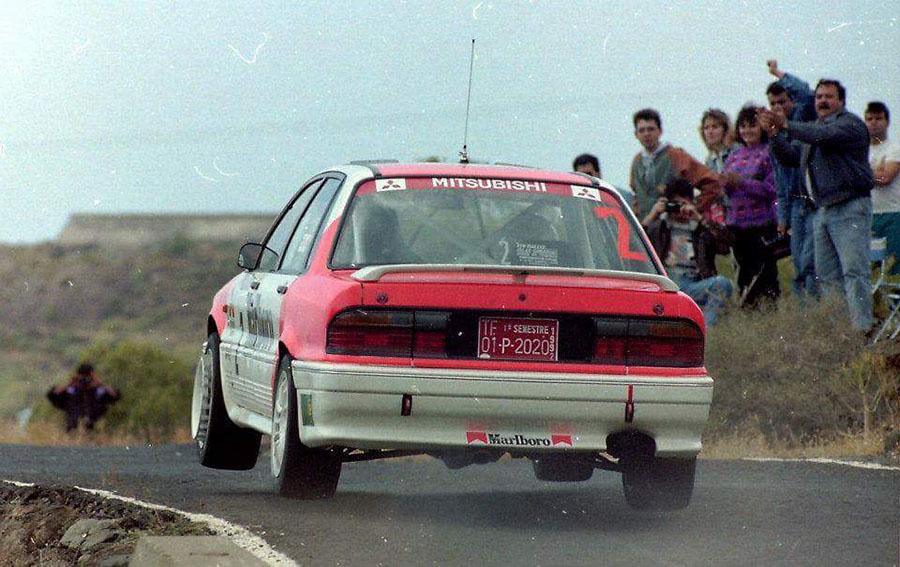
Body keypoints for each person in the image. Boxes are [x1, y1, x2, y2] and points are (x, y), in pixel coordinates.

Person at [761, 79, 875, 332]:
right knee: (828, 277)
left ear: (841, 101)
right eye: (819, 97)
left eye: (829, 97)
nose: (822, 101)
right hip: (822, 209)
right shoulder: (812, 129)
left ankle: (862, 331)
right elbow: (791, 157)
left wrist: (786, 124)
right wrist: (775, 134)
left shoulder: (850, 124)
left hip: (850, 206)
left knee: (854, 272)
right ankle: (840, 334)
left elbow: (825, 137)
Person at [643, 178, 733, 326]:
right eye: (676, 204)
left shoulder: (700, 230)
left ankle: (704, 331)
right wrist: (653, 214)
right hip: (666, 282)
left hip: (693, 282)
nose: (681, 208)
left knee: (722, 284)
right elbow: (633, 243)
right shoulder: (659, 228)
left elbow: (726, 244)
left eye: (685, 203)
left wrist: (699, 218)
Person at [765, 59, 818, 297]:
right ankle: (803, 314)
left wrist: (780, 74)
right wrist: (782, 217)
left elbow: (807, 94)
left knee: (811, 263)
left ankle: (817, 311)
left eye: (782, 101)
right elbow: (780, 183)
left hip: (815, 201)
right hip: (796, 205)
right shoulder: (774, 135)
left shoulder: (802, 119)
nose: (777, 106)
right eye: (772, 103)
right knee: (799, 263)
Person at [722, 105, 779, 307]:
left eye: (752, 126)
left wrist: (742, 182)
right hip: (737, 224)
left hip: (761, 223)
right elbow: (728, 191)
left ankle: (771, 314)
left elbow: (772, 189)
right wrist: (727, 184)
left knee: (764, 272)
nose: (747, 131)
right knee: (743, 272)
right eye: (743, 126)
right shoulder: (734, 156)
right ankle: (748, 314)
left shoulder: (769, 152)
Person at [629, 108, 723, 221]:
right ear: (636, 134)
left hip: (674, 228)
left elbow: (712, 183)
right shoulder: (637, 162)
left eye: (651, 129)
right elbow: (636, 195)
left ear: (660, 131)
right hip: (646, 228)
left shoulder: (676, 156)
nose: (646, 134)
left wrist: (694, 208)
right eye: (642, 130)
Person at [865, 101, 900, 275]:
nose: (873, 122)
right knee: (870, 271)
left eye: (878, 118)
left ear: (887, 121)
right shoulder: (861, 150)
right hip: (868, 214)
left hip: (893, 213)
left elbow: (886, 177)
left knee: (893, 268)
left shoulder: (895, 148)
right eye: (869, 118)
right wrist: (873, 172)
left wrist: (861, 174)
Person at [47, 362, 120, 432]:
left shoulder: (98, 391)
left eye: (88, 378)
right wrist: (70, 383)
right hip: (73, 430)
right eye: (82, 378)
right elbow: (53, 394)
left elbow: (115, 395)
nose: (85, 381)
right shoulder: (71, 391)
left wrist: (100, 383)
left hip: (93, 430)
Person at [699, 108, 740, 174]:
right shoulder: (710, 160)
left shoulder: (737, 150)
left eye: (715, 127)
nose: (710, 131)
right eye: (706, 128)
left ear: (725, 129)